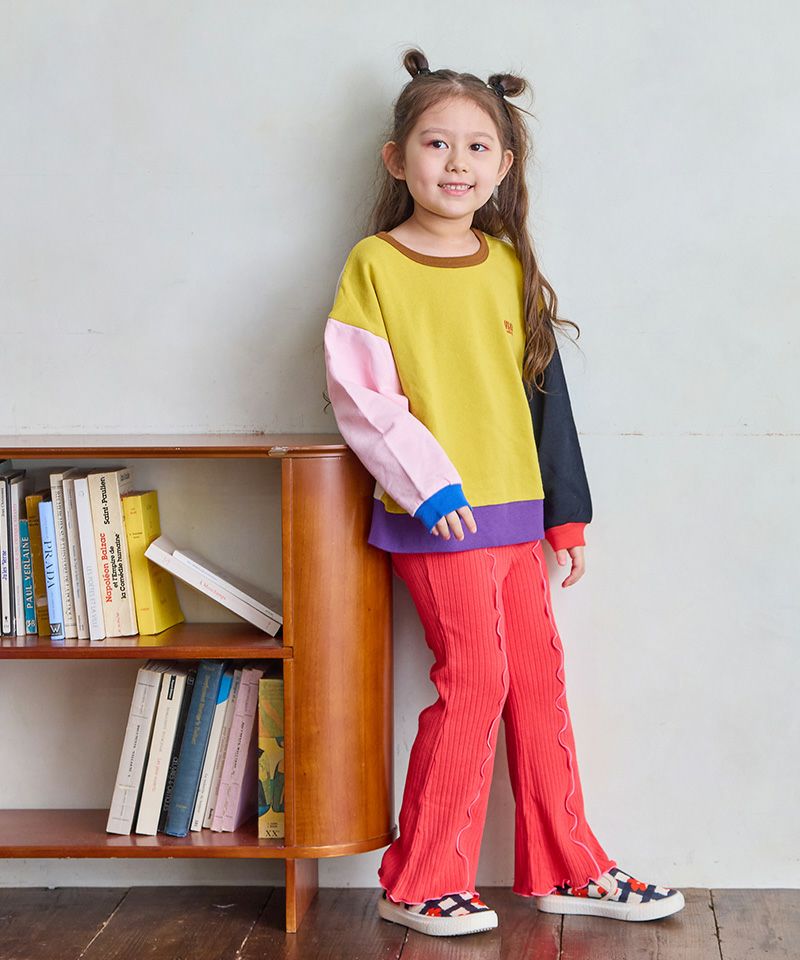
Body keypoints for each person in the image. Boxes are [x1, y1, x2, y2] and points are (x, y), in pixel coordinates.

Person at [323, 46, 686, 938]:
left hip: (518, 515)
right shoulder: (375, 265)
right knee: (476, 681)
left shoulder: (508, 265)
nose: (457, 163)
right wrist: (429, 486)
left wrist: (567, 516)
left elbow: (544, 396)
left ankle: (568, 866)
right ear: (396, 158)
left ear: (504, 165)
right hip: (438, 518)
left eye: (477, 147)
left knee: (538, 684)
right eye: (436, 143)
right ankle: (418, 881)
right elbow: (361, 396)